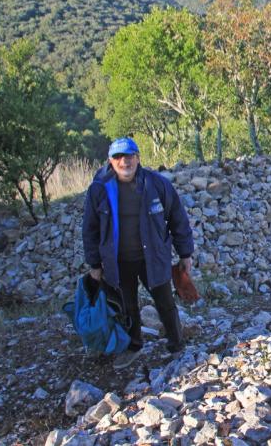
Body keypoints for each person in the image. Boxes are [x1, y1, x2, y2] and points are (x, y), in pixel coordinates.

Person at [82, 137, 194, 369]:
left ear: (138, 158)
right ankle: (134, 345)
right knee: (127, 306)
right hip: (117, 261)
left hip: (153, 257)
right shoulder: (99, 189)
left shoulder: (157, 184)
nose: (125, 161)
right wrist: (94, 264)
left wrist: (185, 253)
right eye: (119, 157)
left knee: (165, 302)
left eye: (130, 156)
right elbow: (90, 229)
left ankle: (176, 344)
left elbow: (177, 218)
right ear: (110, 161)